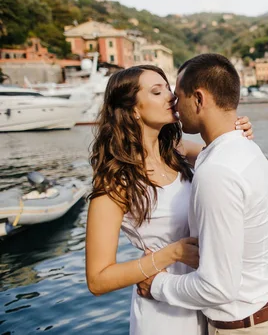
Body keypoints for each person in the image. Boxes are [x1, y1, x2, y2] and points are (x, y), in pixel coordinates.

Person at [85, 64, 254, 335]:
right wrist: (171, 253)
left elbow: (228, 158)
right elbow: (97, 279)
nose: (171, 97)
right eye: (157, 91)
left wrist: (237, 130)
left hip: (206, 299)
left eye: (168, 88)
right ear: (133, 109)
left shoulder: (178, 151)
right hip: (162, 311)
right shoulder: (116, 180)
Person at [137, 54, 268, 335]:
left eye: (178, 96)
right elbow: (191, 152)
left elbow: (218, 287)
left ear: (199, 99)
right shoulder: (241, 149)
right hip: (263, 309)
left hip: (241, 327)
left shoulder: (217, 170)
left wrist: (155, 284)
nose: (175, 105)